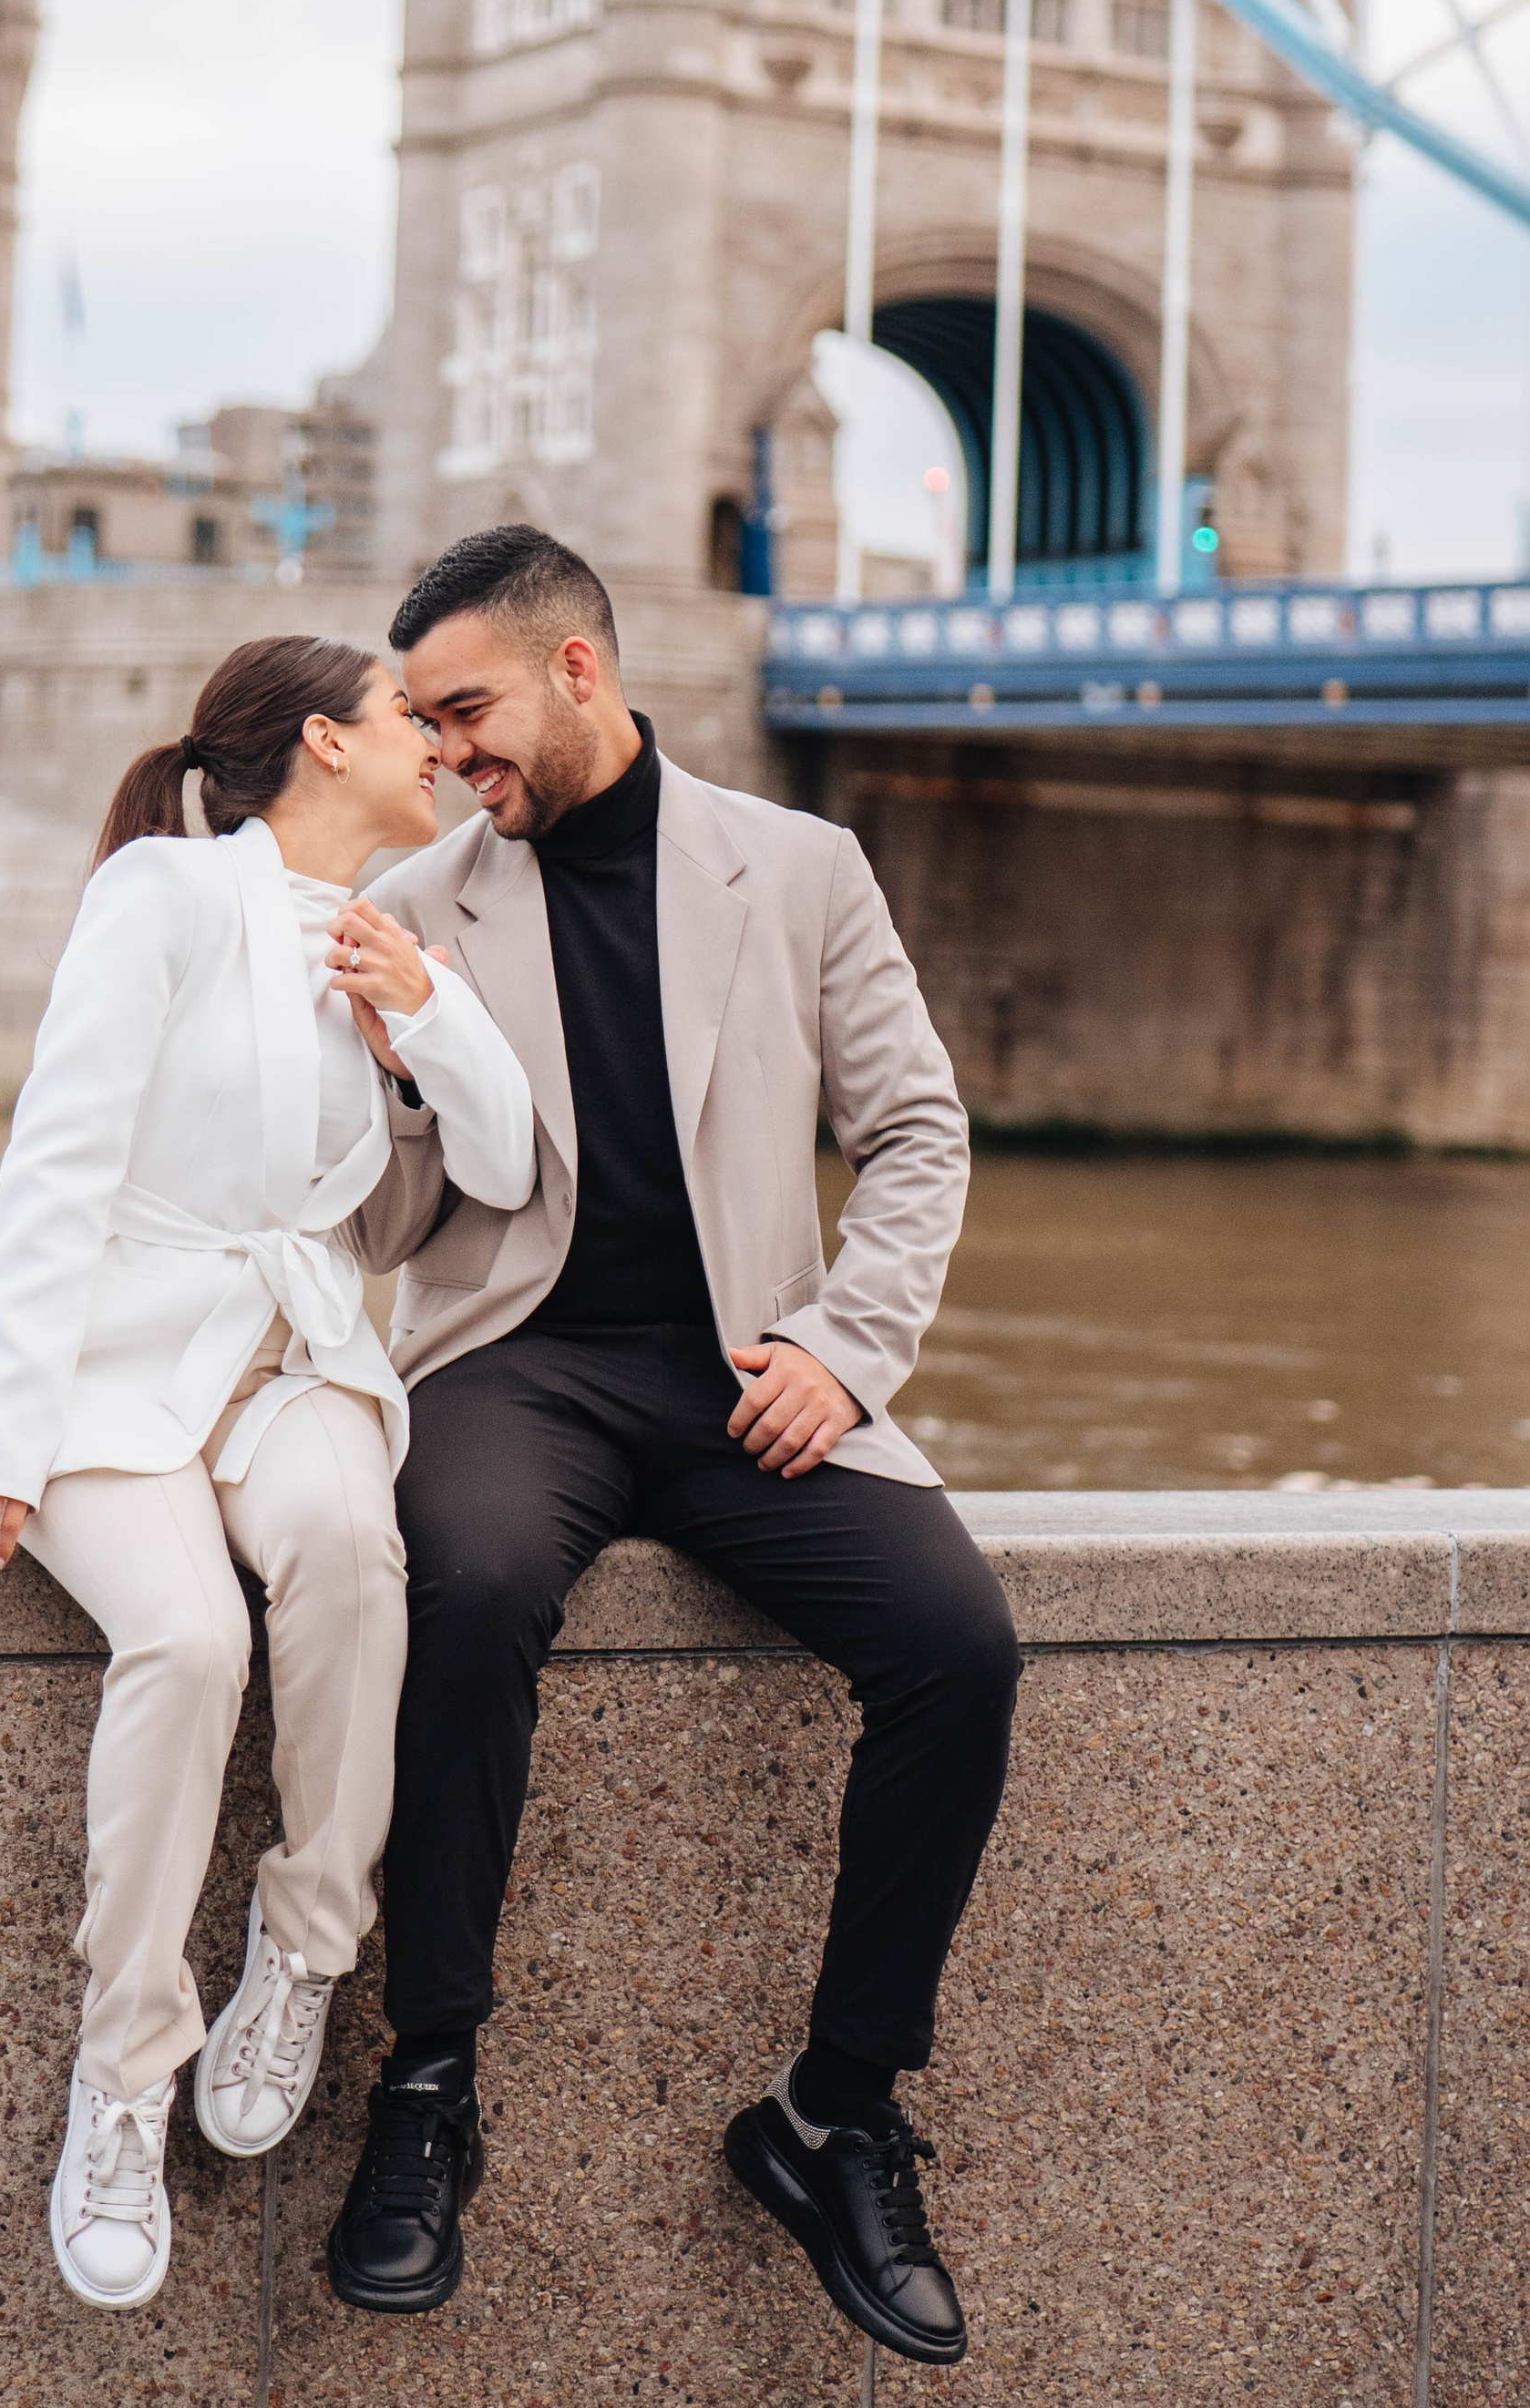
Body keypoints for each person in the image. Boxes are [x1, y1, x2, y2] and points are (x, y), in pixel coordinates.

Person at [321, 528, 1021, 2368]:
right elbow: (387, 1237)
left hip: (743, 1373)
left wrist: (842, 1352)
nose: (449, 754)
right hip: (511, 1365)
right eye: (421, 723)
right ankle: (426, 2084)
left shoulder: (793, 869)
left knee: (956, 1650)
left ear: (576, 673)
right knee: (459, 1588)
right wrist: (395, 1070)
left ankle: (833, 2112)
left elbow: (917, 1133)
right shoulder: (418, 895)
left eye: (466, 712)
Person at [0, 634, 535, 2316]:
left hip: (298, 1360)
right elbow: (59, 1157)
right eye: (411, 718)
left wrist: (431, 1023)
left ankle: (304, 1949)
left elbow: (497, 1163)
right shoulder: (165, 895)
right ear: (325, 744)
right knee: (190, 1643)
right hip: (120, 1373)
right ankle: (121, 2076)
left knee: (353, 1556)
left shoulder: (391, 942)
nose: (437, 742)